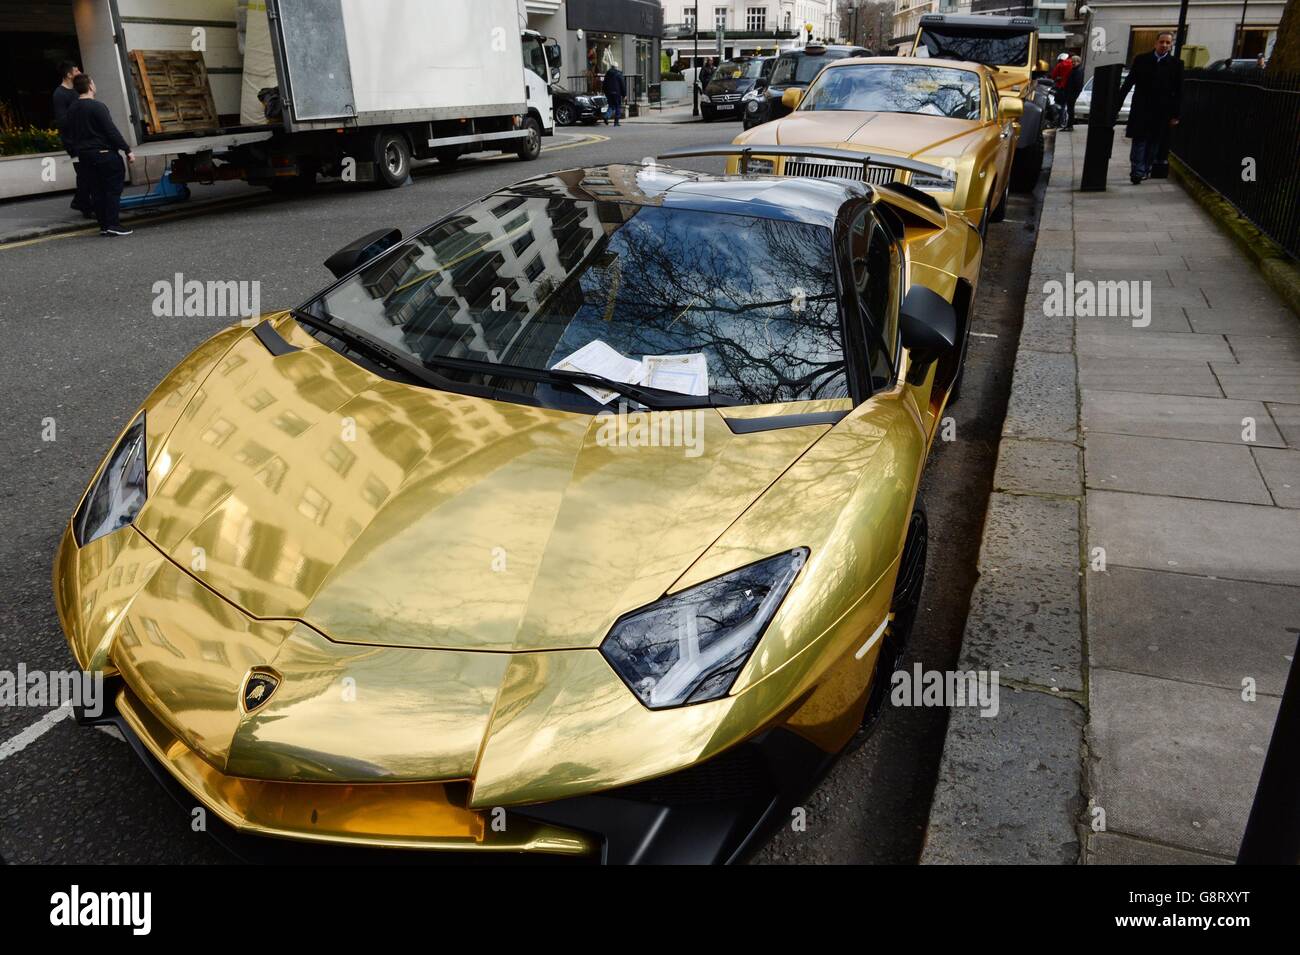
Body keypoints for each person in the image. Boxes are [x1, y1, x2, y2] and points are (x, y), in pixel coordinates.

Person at [63, 74, 135, 236]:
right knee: (112, 189)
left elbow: (69, 132)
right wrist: (127, 149)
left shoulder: (72, 109)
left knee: (96, 191)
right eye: (93, 83)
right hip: (104, 153)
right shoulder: (97, 106)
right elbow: (111, 131)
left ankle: (104, 226)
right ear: (90, 86)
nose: (95, 85)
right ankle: (113, 224)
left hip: (85, 156)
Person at [1119, 31, 1182, 184]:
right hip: (1142, 107)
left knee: (1154, 142)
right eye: (1162, 42)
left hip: (1162, 110)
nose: (1164, 45)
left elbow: (1179, 91)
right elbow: (1129, 81)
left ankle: (1146, 168)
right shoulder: (1141, 60)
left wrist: (1176, 115)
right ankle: (1137, 171)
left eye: (1168, 42)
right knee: (1139, 140)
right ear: (1156, 43)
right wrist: (1118, 101)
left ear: (1171, 44)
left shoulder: (1176, 64)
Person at [52, 60, 95, 218]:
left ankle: (81, 201)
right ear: (69, 75)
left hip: (85, 139)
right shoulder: (59, 94)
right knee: (84, 173)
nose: (79, 73)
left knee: (87, 172)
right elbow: (62, 121)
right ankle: (84, 206)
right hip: (73, 142)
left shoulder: (77, 91)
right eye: (76, 71)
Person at [1061, 55, 1085, 130]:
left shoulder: (1078, 70)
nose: (1074, 63)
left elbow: (1077, 83)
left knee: (1070, 110)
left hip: (1072, 93)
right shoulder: (1075, 69)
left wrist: (1073, 93)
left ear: (1079, 62)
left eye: (1075, 61)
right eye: (1073, 61)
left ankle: (1070, 126)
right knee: (1069, 109)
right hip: (1070, 92)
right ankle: (1069, 125)